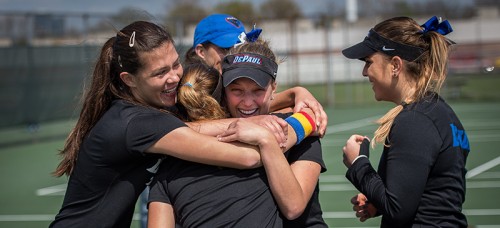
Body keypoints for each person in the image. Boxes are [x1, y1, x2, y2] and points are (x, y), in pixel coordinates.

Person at [49, 21, 280, 228]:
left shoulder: (146, 108)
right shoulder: (137, 122)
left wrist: (294, 96)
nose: (174, 77)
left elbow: (192, 128)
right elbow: (247, 157)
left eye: (175, 64)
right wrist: (298, 127)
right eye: (160, 73)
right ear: (129, 79)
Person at [147, 39, 327, 227]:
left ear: (273, 87)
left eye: (258, 90)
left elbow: (293, 207)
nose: (247, 102)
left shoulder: (297, 133)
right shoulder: (183, 153)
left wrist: (295, 98)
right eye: (237, 91)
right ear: (224, 92)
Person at [341, 16, 470, 227]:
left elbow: (397, 209)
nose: (365, 72)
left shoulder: (415, 120)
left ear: (395, 65)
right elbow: (426, 194)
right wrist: (377, 201)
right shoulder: (439, 112)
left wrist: (358, 163)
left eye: (368, 62)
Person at [183, 13, 328, 136]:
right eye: (226, 48)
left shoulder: (227, 79)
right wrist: (246, 123)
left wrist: (299, 93)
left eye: (239, 46)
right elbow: (176, 130)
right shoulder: (188, 87)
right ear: (201, 51)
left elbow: (263, 103)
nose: (234, 55)